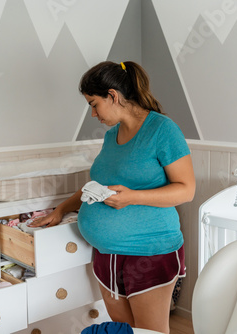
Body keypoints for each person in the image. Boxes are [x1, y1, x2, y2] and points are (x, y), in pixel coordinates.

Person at [30, 60, 195, 334]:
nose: (93, 114)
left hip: (148, 252)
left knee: (150, 332)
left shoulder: (162, 131)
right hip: (107, 255)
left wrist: (132, 197)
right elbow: (95, 187)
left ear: (113, 96)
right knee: (124, 331)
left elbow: (186, 190)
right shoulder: (111, 136)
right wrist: (61, 209)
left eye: (94, 104)